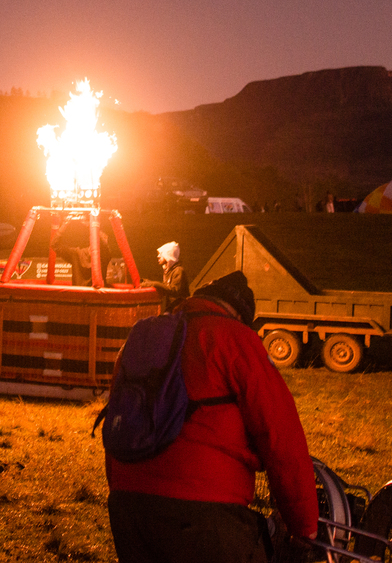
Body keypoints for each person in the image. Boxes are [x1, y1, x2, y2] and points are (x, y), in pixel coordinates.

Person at [106, 270, 318, 562]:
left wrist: (125, 490)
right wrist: (304, 527)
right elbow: (281, 436)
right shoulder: (234, 337)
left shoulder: (142, 338)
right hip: (204, 513)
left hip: (127, 507)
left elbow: (117, 421)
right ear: (240, 315)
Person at [141, 241, 189, 312]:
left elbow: (174, 291)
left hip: (179, 312)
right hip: (172, 310)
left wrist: (153, 284)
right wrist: (147, 282)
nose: (158, 256)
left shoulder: (178, 271)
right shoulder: (168, 271)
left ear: (168, 255)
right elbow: (166, 287)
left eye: (161, 254)